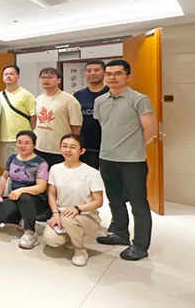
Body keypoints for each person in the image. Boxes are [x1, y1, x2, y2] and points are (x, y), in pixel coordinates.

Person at [94, 59, 158, 261]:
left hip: (132, 161)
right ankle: (120, 233)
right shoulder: (100, 101)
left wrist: (133, 147)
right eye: (108, 74)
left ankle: (140, 245)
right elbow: (105, 126)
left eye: (118, 73)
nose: (112, 77)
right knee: (114, 198)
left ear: (128, 76)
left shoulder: (139, 100)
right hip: (106, 158)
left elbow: (151, 131)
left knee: (138, 203)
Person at [44, 134, 105, 267]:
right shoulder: (55, 169)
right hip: (62, 214)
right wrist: (55, 214)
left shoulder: (91, 173)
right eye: (64, 146)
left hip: (86, 216)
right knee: (51, 239)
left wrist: (77, 209)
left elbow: (98, 201)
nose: (68, 150)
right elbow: (52, 194)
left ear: (81, 151)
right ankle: (71, 237)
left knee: (68, 218)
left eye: (72, 147)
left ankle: (80, 250)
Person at [0, 131, 50, 249]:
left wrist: (21, 190)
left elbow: (41, 187)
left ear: (34, 145)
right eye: (19, 142)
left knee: (24, 197)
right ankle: (24, 217)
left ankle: (30, 232)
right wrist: (0, 195)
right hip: (16, 196)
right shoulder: (12, 158)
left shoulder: (41, 163)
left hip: (35, 198)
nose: (23, 145)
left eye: (27, 143)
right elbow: (4, 177)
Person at [34, 67, 83, 168]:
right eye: (43, 77)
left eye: (50, 77)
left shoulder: (69, 100)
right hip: (40, 147)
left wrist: (71, 145)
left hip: (60, 150)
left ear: (59, 80)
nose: (46, 80)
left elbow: (76, 125)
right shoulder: (38, 99)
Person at [0, 65, 36, 170]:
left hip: (22, 140)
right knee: (6, 168)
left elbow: (33, 117)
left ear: (18, 76)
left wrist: (32, 136)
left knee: (23, 169)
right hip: (4, 139)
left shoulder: (26, 95)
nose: (8, 76)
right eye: (6, 74)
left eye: (11, 74)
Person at [73, 60, 109, 170]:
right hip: (84, 145)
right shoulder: (78, 95)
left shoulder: (110, 94)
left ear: (104, 73)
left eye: (97, 70)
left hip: (107, 145)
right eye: (89, 71)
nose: (92, 73)